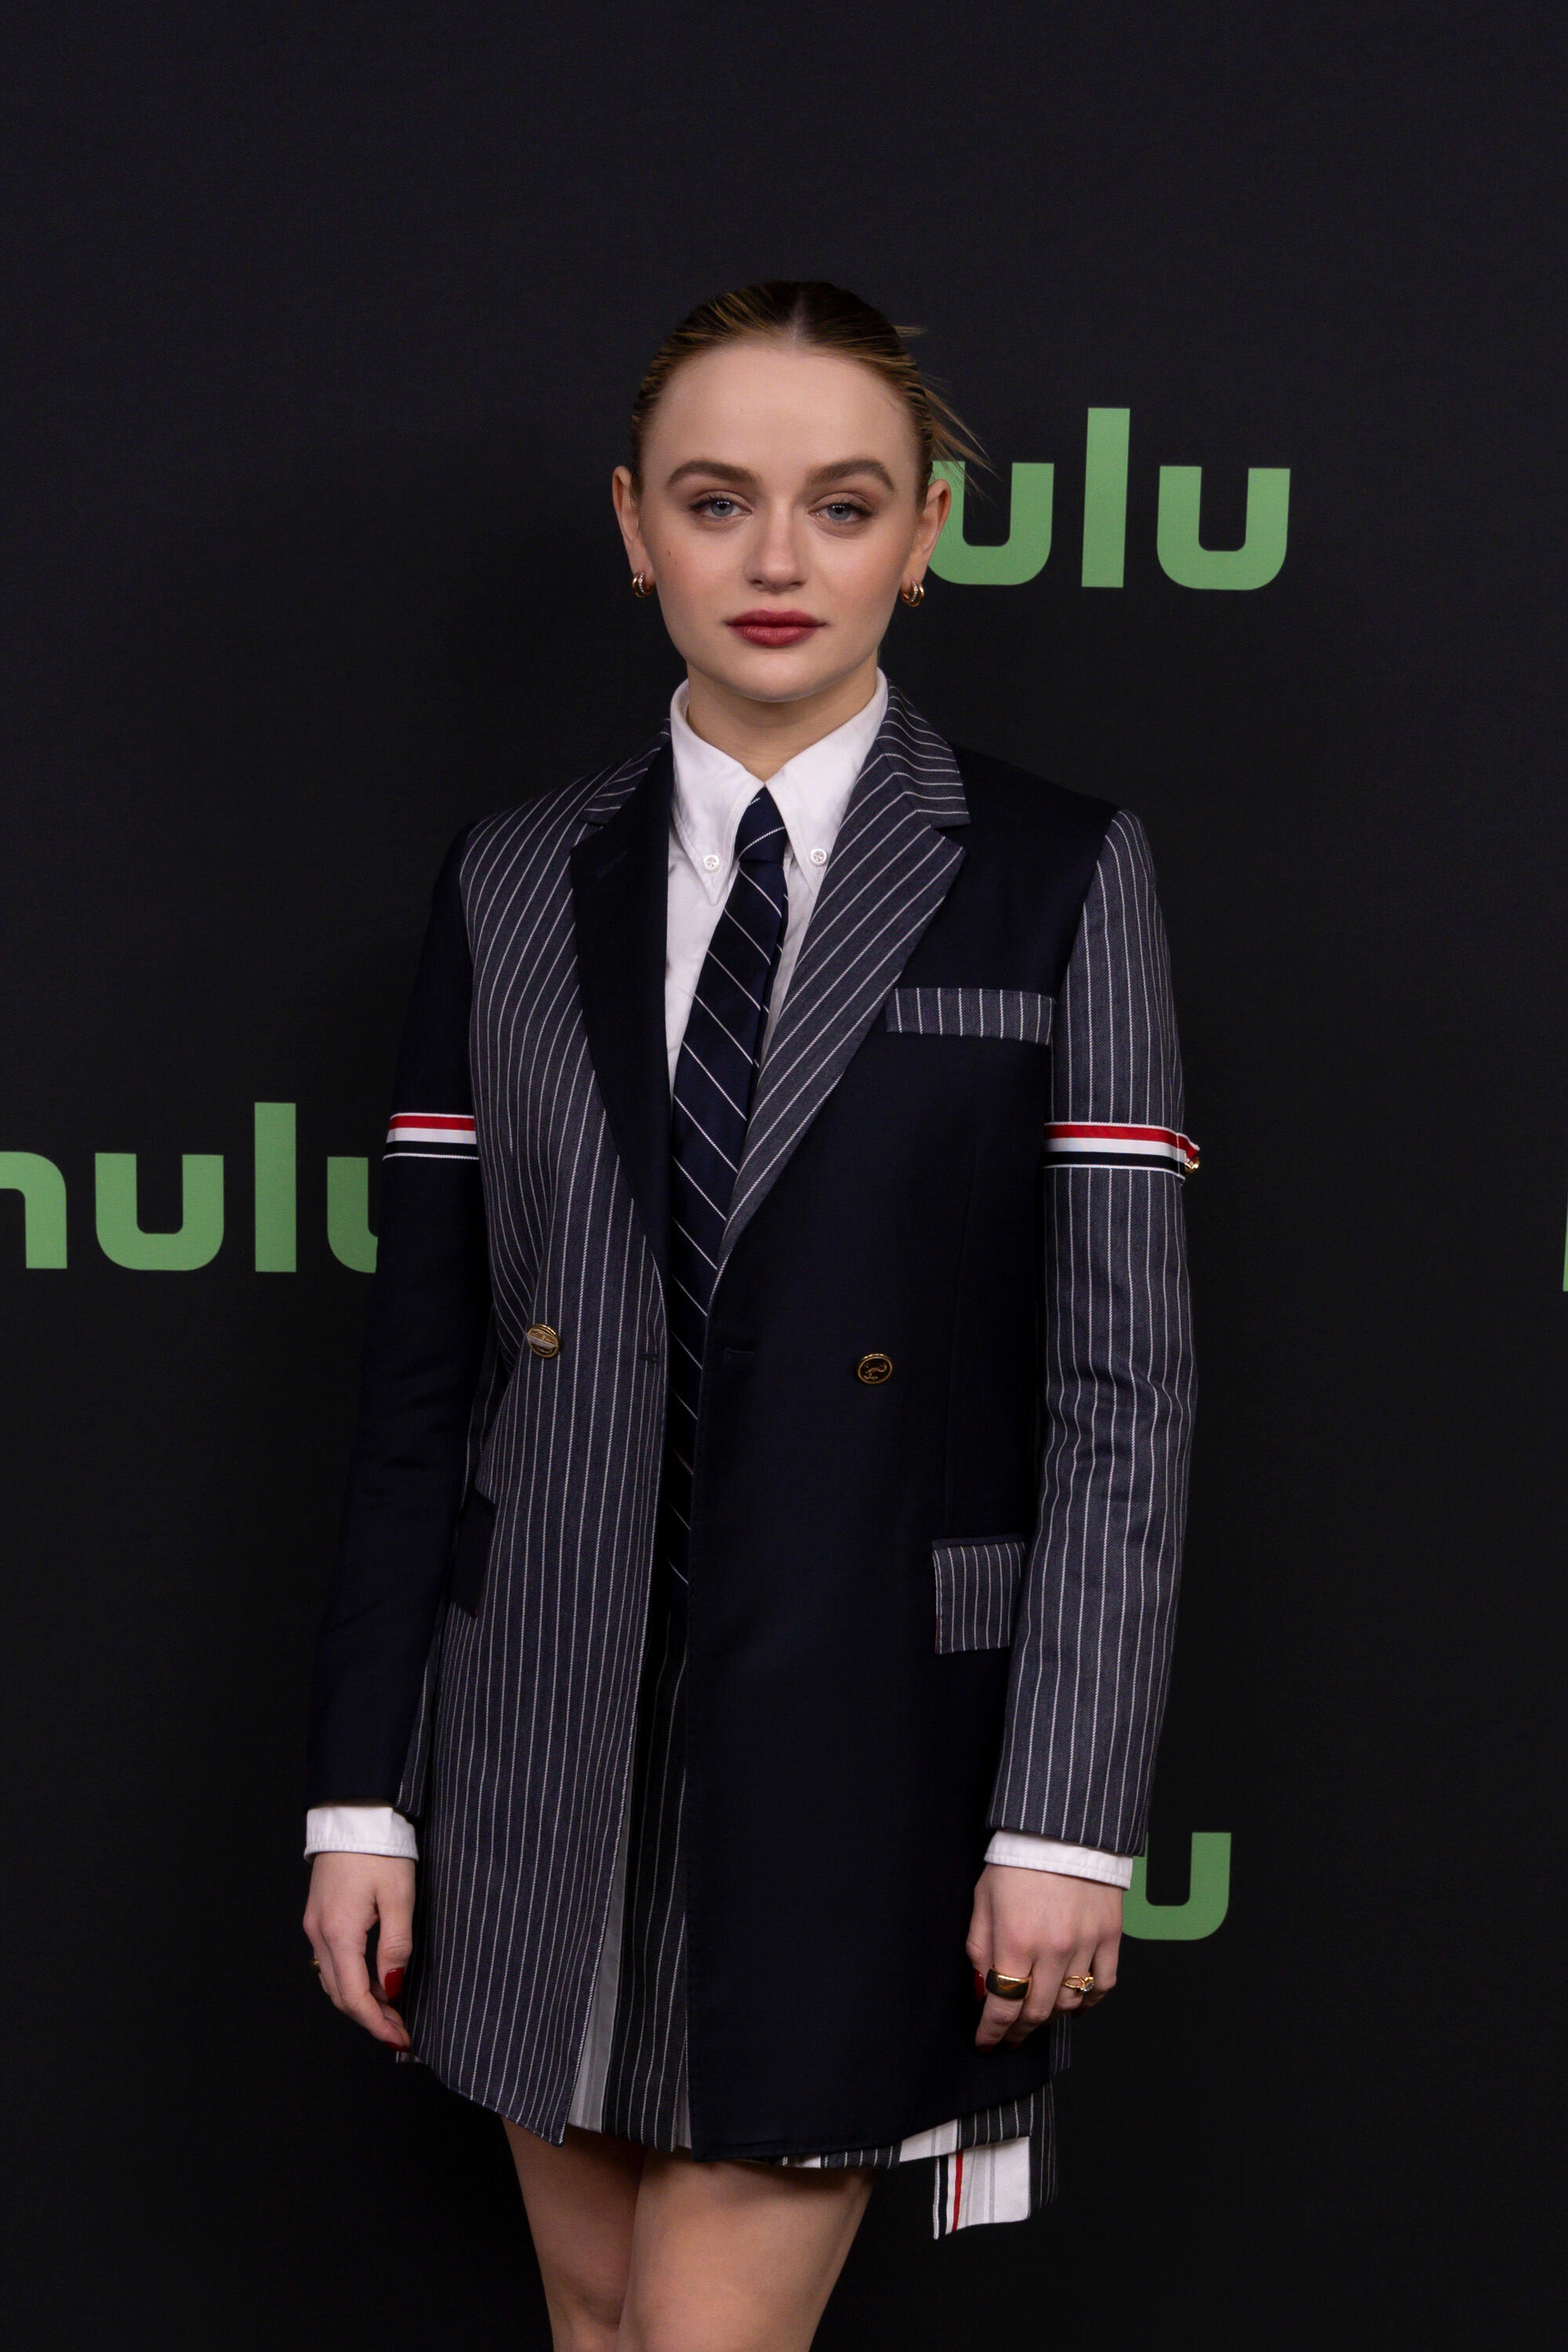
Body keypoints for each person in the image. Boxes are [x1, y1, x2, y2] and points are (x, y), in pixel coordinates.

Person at [302, 280, 1197, 2352]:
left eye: (842, 502)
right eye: (717, 501)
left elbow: (1122, 1392)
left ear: (926, 533)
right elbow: (423, 1377)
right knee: (599, 2321)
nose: (778, 558)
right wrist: (365, 1795)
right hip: (543, 1743)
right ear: (635, 527)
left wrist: (1066, 1816)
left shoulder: (1061, 872)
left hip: (873, 1748)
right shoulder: (511, 880)